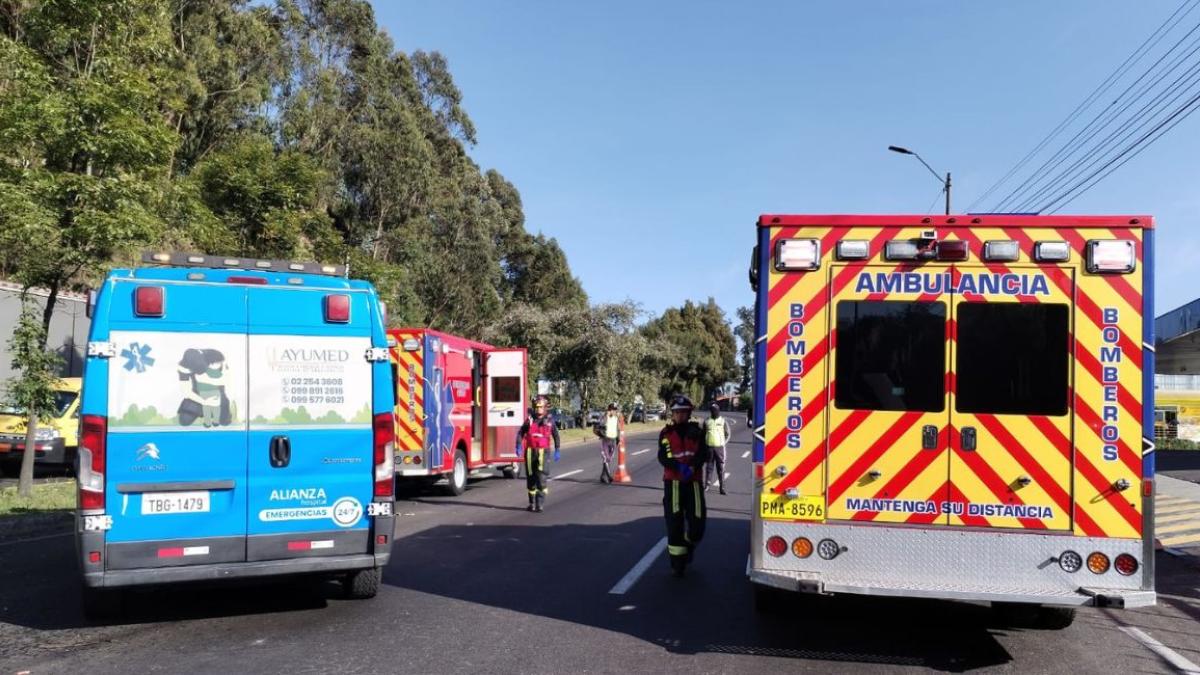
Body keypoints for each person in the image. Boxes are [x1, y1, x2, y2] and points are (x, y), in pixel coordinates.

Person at [657, 395, 709, 577]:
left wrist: (693, 466)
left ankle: (688, 545)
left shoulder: (698, 432)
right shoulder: (666, 433)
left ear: (689, 413)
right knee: (674, 524)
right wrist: (678, 467)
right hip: (673, 484)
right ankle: (678, 564)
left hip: (693, 483)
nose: (679, 416)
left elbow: (704, 453)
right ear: (672, 414)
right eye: (676, 413)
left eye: (683, 412)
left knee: (697, 524)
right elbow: (663, 456)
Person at [516, 395, 560, 512]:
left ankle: (539, 504)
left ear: (545, 407)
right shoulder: (529, 420)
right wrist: (518, 445)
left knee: (541, 478)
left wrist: (557, 449)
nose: (538, 409)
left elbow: (556, 435)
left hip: (543, 453)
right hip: (530, 452)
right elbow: (521, 432)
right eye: (536, 407)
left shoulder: (549, 421)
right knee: (530, 478)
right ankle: (532, 504)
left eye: (540, 407)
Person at [593, 402, 625, 483]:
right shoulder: (604, 417)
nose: (614, 411)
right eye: (612, 409)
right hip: (605, 440)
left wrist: (618, 439)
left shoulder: (616, 418)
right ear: (609, 410)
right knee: (605, 458)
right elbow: (599, 426)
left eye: (615, 410)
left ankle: (603, 476)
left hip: (613, 440)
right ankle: (609, 476)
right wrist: (606, 417)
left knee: (609, 458)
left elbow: (618, 429)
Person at [704, 403, 731, 495]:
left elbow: (727, 434)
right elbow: (703, 434)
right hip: (709, 448)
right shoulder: (707, 421)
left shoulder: (723, 421)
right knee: (709, 467)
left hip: (720, 448)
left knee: (720, 468)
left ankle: (722, 487)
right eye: (712, 410)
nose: (713, 412)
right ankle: (707, 485)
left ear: (718, 411)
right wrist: (705, 444)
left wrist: (723, 443)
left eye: (715, 410)